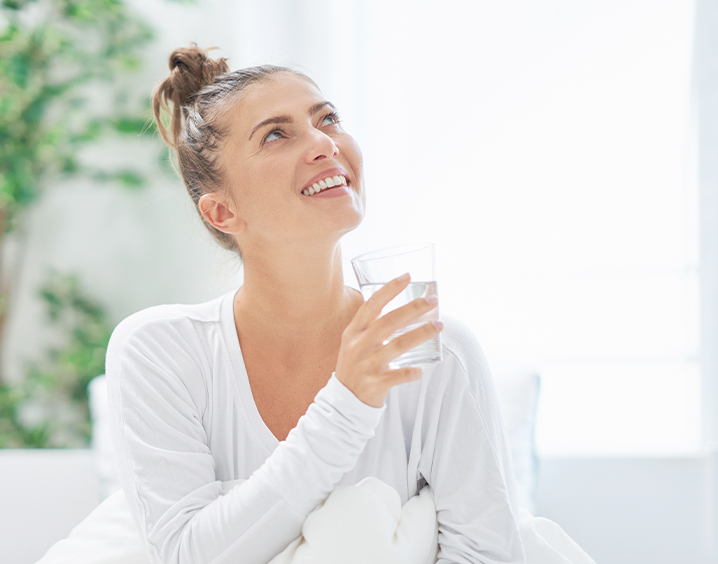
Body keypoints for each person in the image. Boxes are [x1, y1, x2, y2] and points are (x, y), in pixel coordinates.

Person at [104, 45, 524, 564]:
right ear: (222, 212)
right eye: (276, 134)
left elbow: (487, 552)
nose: (325, 143)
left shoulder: (433, 350)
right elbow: (189, 556)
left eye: (328, 119)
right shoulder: (160, 352)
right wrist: (348, 403)